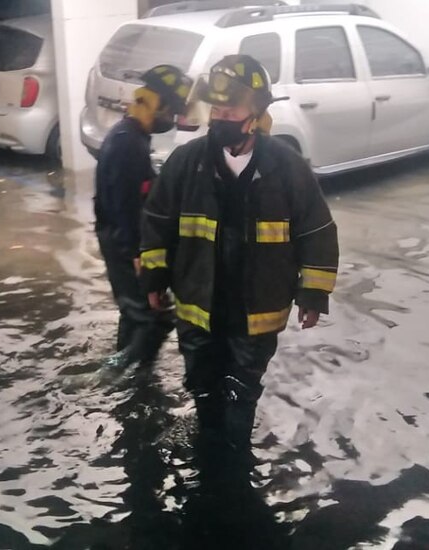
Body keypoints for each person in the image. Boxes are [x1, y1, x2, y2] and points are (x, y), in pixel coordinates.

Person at [139, 55, 340, 452]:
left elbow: (317, 231)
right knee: (202, 384)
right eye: (216, 110)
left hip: (256, 310)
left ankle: (233, 459)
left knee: (241, 390)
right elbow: (157, 221)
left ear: (256, 113)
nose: (221, 118)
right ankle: (210, 448)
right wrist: (154, 278)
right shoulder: (186, 163)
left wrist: (314, 294)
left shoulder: (288, 167)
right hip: (198, 305)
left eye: (230, 110)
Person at [94, 65, 193, 369]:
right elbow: (123, 205)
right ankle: (116, 375)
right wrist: (136, 254)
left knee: (135, 314)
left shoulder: (129, 136)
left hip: (119, 240)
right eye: (171, 111)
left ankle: (126, 371)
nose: (171, 119)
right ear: (156, 103)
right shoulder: (128, 143)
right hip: (124, 245)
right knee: (154, 318)